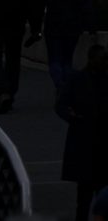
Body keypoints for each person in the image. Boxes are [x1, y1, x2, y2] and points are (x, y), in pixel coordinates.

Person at [55, 44, 108, 221]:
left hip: (87, 139)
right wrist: (73, 116)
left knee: (86, 193)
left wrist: (73, 117)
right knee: (88, 193)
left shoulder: (77, 79)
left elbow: (61, 105)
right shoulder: (79, 80)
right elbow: (61, 105)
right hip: (91, 139)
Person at [40, 0, 94, 92]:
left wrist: (36, 25)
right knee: (67, 59)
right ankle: (67, 85)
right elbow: (85, 4)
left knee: (54, 59)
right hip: (72, 25)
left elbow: (39, 5)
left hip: (53, 25)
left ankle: (60, 84)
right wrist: (90, 25)